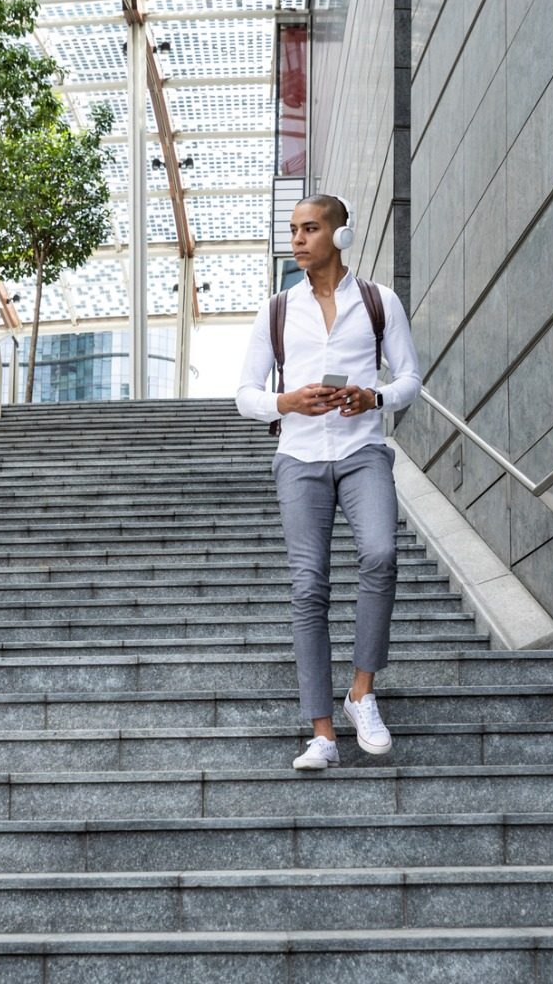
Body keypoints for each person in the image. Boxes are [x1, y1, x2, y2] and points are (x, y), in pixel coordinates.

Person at [235, 193, 423, 771]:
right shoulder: (276, 310)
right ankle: (322, 734)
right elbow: (245, 394)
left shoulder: (378, 302)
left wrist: (374, 397)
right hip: (299, 457)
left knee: (381, 554)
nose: (297, 239)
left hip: (363, 449)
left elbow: (410, 378)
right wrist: (286, 401)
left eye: (310, 229)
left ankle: (361, 694)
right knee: (308, 586)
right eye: (294, 229)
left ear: (340, 236)